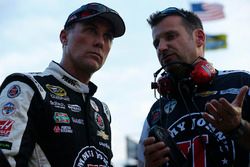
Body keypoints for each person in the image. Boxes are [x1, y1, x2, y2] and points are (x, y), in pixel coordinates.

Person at [0, 2, 125, 167]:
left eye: (108, 36)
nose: (100, 42)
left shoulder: (102, 110)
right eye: (91, 30)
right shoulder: (27, 88)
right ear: (64, 37)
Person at [137, 7, 250, 167]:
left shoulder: (242, 84)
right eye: (156, 43)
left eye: (171, 36)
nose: (161, 47)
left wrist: (238, 128)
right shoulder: (156, 112)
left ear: (199, 38)